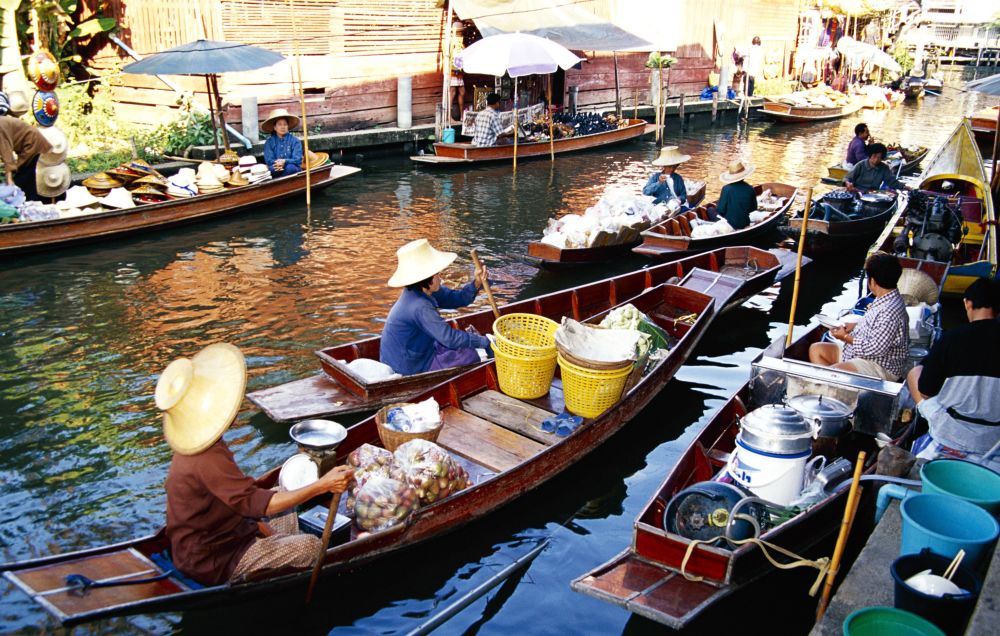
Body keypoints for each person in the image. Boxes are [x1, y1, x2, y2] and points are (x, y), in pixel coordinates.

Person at [158, 343, 354, 586]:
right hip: (216, 560)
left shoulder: (201, 446)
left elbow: (238, 500)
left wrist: (262, 527)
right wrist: (322, 485)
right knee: (310, 546)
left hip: (229, 533)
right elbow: (252, 503)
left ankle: (277, 545)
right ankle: (279, 551)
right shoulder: (205, 456)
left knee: (283, 494)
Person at [907, 278, 1000, 469]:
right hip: (994, 437)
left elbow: (925, 391)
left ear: (968, 303)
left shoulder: (951, 339)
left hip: (953, 432)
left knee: (915, 371)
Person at [380, 239, 491, 375]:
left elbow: (458, 298)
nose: (440, 278)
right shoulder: (419, 306)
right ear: (426, 279)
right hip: (409, 365)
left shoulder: (425, 290)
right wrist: (483, 341)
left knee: (464, 345)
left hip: (420, 349)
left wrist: (476, 283)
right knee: (470, 355)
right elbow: (450, 338)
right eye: (437, 275)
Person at [809, 252, 909, 381]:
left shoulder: (890, 311)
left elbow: (875, 348)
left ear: (872, 281)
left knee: (833, 374)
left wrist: (845, 337)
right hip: (863, 355)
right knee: (816, 349)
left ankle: (834, 386)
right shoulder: (886, 298)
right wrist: (855, 326)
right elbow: (879, 327)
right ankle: (835, 386)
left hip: (880, 365)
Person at [0, 91, 52, 201]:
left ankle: (32, 206)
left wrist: (9, 179)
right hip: (32, 145)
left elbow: (6, 153)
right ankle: (33, 202)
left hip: (32, 145)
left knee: (22, 180)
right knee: (29, 179)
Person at [262, 108, 304, 177]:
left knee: (290, 168)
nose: (283, 127)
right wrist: (278, 163)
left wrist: (285, 161)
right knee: (273, 169)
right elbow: (269, 160)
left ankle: (280, 184)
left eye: (285, 124)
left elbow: (297, 160)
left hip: (292, 169)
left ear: (288, 126)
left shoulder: (295, 141)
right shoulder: (269, 142)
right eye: (280, 124)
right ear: (275, 127)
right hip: (276, 167)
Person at [716, 160, 757, 230]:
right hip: (745, 223)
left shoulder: (726, 189)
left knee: (710, 209)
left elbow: (720, 210)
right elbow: (753, 208)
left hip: (729, 224)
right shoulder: (750, 189)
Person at [448, 20, 466, 124]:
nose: (460, 34)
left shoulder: (461, 43)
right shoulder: (450, 42)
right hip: (452, 71)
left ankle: (461, 116)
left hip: (459, 71)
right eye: (459, 32)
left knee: (462, 92)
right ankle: (449, 117)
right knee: (452, 92)